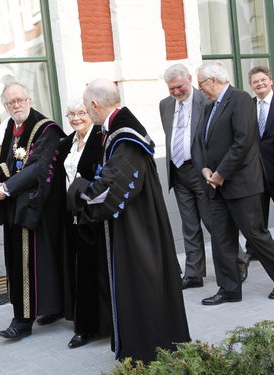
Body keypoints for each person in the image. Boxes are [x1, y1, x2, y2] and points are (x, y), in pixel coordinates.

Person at [68, 78, 190, 363]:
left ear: (96, 105)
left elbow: (112, 186)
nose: (87, 113)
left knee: (141, 282)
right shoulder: (117, 128)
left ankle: (147, 351)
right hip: (134, 221)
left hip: (138, 226)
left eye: (87, 108)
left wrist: (78, 191)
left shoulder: (125, 135)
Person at [0, 82, 66, 339]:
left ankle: (23, 320)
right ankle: (48, 308)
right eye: (11, 102)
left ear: (29, 99)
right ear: (5, 105)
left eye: (20, 100)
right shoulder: (5, 129)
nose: (17, 105)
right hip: (13, 207)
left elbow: (38, 167)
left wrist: (6, 188)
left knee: (33, 261)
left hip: (37, 207)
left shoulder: (47, 129)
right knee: (21, 261)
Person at [160, 64, 249, 289]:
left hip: (203, 171)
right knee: (189, 225)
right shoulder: (165, 105)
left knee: (214, 223)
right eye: (171, 88)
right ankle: (194, 273)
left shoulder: (206, 100)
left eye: (179, 86)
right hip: (178, 171)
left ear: (189, 79)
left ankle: (238, 262)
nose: (176, 92)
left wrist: (215, 170)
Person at [197, 61, 274, 304]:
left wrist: (221, 173)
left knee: (256, 236)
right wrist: (206, 169)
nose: (200, 89)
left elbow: (243, 141)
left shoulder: (240, 99)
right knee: (221, 239)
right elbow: (203, 142)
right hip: (217, 186)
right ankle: (229, 289)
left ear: (212, 80)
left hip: (241, 184)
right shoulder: (210, 108)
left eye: (201, 84)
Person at [57, 97, 112, 349]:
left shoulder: (102, 137)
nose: (76, 118)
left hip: (96, 215)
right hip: (72, 215)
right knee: (79, 271)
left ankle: (109, 324)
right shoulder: (66, 142)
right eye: (71, 114)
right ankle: (85, 327)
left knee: (99, 269)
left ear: (91, 112)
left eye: (81, 112)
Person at [247, 66, 274, 264]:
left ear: (270, 81)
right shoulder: (248, 105)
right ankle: (255, 250)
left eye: (263, 80)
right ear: (251, 86)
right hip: (256, 169)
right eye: (255, 81)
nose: (259, 84)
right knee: (257, 212)